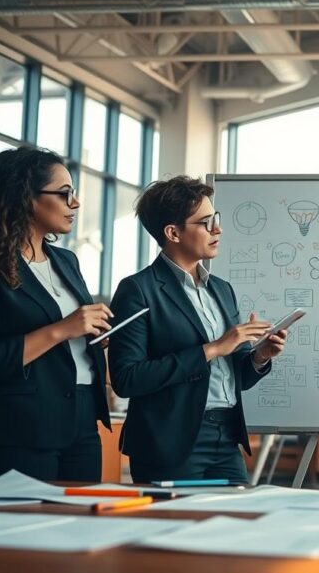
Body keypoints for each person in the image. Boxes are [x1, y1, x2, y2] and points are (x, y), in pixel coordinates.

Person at [0, 147, 113, 481]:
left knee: (84, 531)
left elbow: (72, 340)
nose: (74, 203)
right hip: (19, 428)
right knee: (21, 529)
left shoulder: (66, 262)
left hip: (82, 421)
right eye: (64, 194)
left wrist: (96, 335)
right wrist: (62, 329)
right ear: (25, 198)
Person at [108, 176, 286, 483]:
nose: (218, 229)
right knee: (176, 528)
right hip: (170, 443)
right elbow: (127, 378)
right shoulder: (138, 289)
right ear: (173, 232)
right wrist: (212, 348)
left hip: (227, 437)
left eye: (215, 219)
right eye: (205, 223)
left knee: (236, 526)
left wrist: (259, 357)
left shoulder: (222, 290)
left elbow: (235, 378)